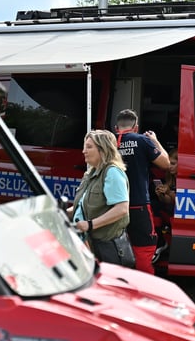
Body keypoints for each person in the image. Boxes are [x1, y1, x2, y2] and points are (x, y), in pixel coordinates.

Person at [114, 109, 170, 274]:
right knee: (144, 250)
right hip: (137, 205)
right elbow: (166, 164)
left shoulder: (107, 142)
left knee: (116, 249)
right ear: (136, 127)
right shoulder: (142, 140)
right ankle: (144, 289)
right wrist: (155, 141)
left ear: (116, 127)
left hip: (113, 206)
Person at [70, 130, 130, 265]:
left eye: (89, 147)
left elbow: (122, 209)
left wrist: (90, 224)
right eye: (84, 146)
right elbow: (83, 205)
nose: (84, 151)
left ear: (103, 150)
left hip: (105, 249)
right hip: (89, 245)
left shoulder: (112, 172)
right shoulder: (91, 172)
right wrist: (59, 212)